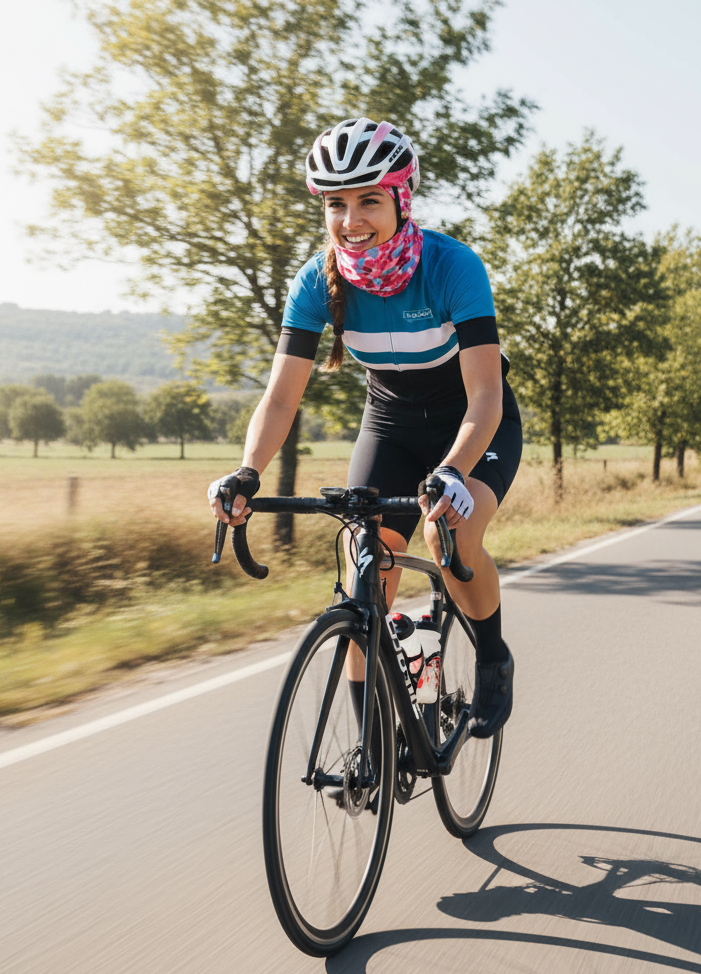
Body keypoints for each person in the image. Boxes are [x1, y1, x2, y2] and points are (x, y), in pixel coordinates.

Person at [208, 118, 522, 737]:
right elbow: (279, 400)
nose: (352, 219)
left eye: (369, 200)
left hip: (473, 424)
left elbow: (485, 396)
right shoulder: (315, 282)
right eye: (336, 203)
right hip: (392, 424)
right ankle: (369, 743)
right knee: (366, 575)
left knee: (450, 539)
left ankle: (492, 656)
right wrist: (248, 471)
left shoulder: (452, 266)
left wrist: (453, 471)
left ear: (401, 199)